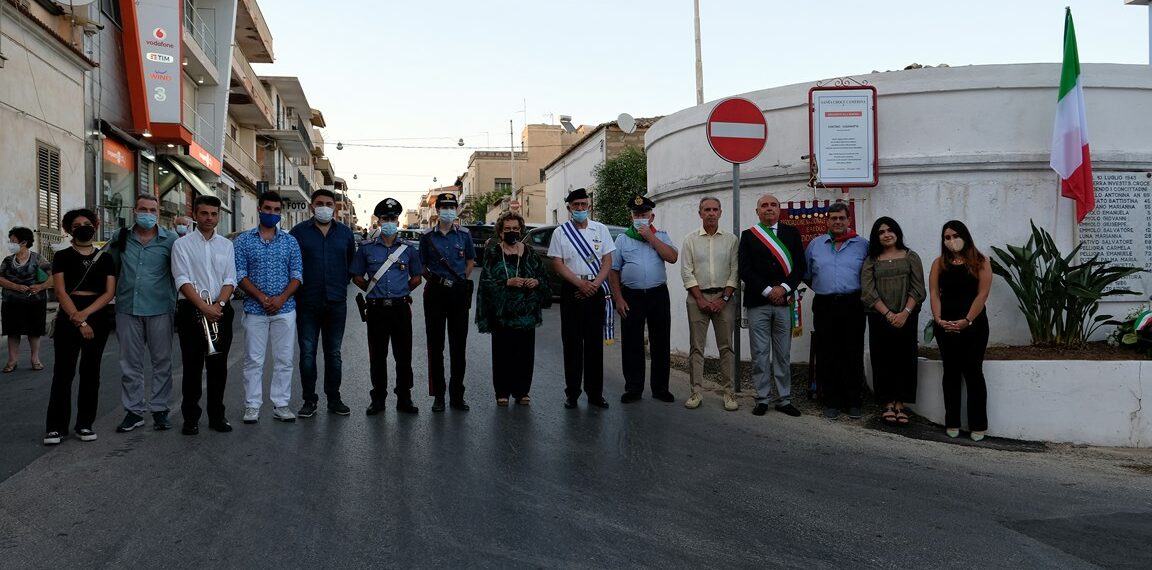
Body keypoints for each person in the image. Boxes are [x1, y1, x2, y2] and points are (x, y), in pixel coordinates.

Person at [44, 209, 116, 445]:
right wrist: (78, 318)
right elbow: (60, 291)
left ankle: (85, 424)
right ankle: (55, 427)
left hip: (96, 314)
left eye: (87, 223)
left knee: (90, 372)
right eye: (76, 225)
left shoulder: (106, 258)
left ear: (94, 225)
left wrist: (85, 315)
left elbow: (109, 292)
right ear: (68, 230)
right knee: (63, 373)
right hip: (69, 313)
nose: (83, 227)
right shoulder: (62, 256)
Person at [107, 194, 178, 433]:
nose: (148, 214)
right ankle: (134, 411)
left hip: (160, 308)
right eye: (143, 209)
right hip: (127, 308)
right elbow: (112, 269)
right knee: (130, 364)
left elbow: (178, 273)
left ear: (158, 214)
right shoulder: (121, 237)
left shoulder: (170, 240)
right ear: (134, 211)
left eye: (152, 210)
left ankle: (159, 409)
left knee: (162, 362)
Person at [234, 191, 303, 424]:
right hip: (255, 309)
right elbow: (240, 274)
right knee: (254, 359)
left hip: (285, 309)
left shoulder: (290, 241)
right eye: (268, 209)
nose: (272, 213)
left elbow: (297, 274)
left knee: (284, 359)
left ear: (280, 213)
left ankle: (281, 404)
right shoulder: (243, 241)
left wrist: (281, 298)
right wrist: (262, 298)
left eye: (276, 210)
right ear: (259, 209)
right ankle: (252, 405)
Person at [171, 195, 237, 435]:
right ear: (195, 215)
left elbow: (230, 278)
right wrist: (203, 306)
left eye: (214, 214)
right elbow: (182, 279)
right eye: (204, 213)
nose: (209, 218)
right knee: (192, 367)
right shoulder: (182, 244)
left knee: (218, 368)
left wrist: (218, 304)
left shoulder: (226, 245)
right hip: (192, 308)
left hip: (220, 309)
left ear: (218, 216)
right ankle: (190, 418)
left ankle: (217, 416)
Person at [351, 198, 422, 415]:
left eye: (393, 218)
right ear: (378, 221)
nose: (389, 221)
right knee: (378, 356)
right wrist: (373, 291)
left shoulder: (408, 250)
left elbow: (417, 277)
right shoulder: (366, 249)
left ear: (398, 221)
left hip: (400, 309)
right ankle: (378, 398)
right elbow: (356, 276)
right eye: (385, 218)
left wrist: (401, 291)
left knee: (404, 356)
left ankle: (404, 398)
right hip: (376, 309)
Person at [290, 189, 356, 418]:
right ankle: (309, 400)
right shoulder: (298, 233)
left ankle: (334, 399)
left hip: (336, 302)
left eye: (329, 203)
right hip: (307, 301)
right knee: (307, 352)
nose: (324, 207)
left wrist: (338, 284)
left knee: (334, 353)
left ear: (335, 208)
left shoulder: (346, 234)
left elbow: (350, 264)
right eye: (320, 203)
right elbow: (292, 264)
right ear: (311, 206)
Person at [738, 194, 805, 418]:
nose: (769, 209)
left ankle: (784, 399)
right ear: (757, 211)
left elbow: (800, 267)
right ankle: (762, 399)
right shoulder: (748, 236)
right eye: (764, 206)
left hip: (784, 302)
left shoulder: (792, 234)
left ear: (780, 210)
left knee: (782, 353)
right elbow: (745, 269)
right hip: (759, 302)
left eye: (773, 205)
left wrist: (783, 288)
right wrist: (768, 290)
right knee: (759, 353)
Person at [548, 188, 614, 410]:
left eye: (583, 205)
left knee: (594, 345)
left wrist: (594, 284)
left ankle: (595, 393)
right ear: (568, 208)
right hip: (572, 291)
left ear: (589, 206)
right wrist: (580, 284)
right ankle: (572, 393)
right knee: (572, 344)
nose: (580, 209)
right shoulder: (561, 233)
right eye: (575, 206)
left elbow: (607, 261)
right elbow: (557, 263)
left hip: (595, 289)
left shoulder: (601, 229)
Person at [475, 212, 550, 406]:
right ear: (500, 232)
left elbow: (543, 277)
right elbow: (486, 282)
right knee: (502, 354)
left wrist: (536, 281)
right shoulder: (493, 252)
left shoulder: (530, 252)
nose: (512, 232)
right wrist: (507, 281)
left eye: (515, 229)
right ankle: (502, 392)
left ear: (521, 229)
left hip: (526, 314)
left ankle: (522, 391)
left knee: (525, 354)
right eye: (507, 229)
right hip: (502, 314)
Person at [610, 195, 678, 404]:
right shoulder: (622, 239)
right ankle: (633, 388)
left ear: (652, 216)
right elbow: (614, 271)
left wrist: (651, 238)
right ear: (631, 217)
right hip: (632, 295)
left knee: (660, 341)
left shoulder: (662, 236)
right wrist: (618, 299)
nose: (640, 218)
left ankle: (660, 388)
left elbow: (672, 257)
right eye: (637, 215)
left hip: (658, 294)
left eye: (644, 214)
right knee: (632, 342)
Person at [804, 202, 869, 420]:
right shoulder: (815, 244)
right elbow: (807, 274)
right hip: (824, 304)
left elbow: (868, 275)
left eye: (842, 218)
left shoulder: (862, 245)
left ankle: (853, 401)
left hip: (853, 304)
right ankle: (831, 400)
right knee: (826, 352)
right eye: (833, 218)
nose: (838, 222)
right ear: (827, 221)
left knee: (852, 351)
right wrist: (828, 288)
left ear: (849, 220)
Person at [929, 220, 992, 441]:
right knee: (951, 372)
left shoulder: (981, 262)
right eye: (946, 237)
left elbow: (982, 295)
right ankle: (952, 421)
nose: (951, 240)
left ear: (964, 235)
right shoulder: (939, 263)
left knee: (973, 372)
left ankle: (978, 425)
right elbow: (935, 293)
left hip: (973, 325)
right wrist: (938, 319)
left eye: (954, 235)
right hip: (946, 326)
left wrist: (967, 320)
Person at [861, 217, 925, 426]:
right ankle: (887, 403)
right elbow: (868, 291)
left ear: (897, 232)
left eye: (890, 230)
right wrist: (888, 314)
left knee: (905, 359)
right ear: (876, 237)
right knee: (883, 359)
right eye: (881, 232)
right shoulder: (871, 260)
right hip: (880, 318)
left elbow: (918, 288)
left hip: (907, 317)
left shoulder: (910, 257)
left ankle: (901, 404)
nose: (886, 234)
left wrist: (904, 313)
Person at [680, 197, 739, 411]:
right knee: (697, 347)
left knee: (727, 348)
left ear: (721, 213)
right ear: (700, 213)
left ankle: (729, 393)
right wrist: (701, 299)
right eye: (707, 210)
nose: (711, 213)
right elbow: (686, 272)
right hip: (697, 298)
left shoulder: (731, 240)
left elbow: (735, 271)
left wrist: (723, 299)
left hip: (725, 299)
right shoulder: (690, 240)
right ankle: (696, 392)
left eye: (715, 209)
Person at [419, 192, 475, 412]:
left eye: (452, 206)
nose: (448, 210)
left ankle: (457, 395)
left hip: (458, 292)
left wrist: (461, 279)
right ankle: (439, 395)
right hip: (435, 292)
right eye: (444, 206)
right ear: (437, 209)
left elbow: (470, 261)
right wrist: (435, 281)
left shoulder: (464, 235)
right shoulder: (427, 237)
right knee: (436, 345)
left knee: (458, 345)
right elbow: (422, 265)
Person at [0, 227, 51, 373]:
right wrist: (15, 286)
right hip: (11, 301)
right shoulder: (8, 260)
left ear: (23, 242)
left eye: (13, 241)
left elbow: (54, 277)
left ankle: (35, 359)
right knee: (12, 331)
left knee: (34, 331)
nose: (10, 243)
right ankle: (12, 361)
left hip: (35, 301)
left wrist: (41, 287)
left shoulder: (38, 258)